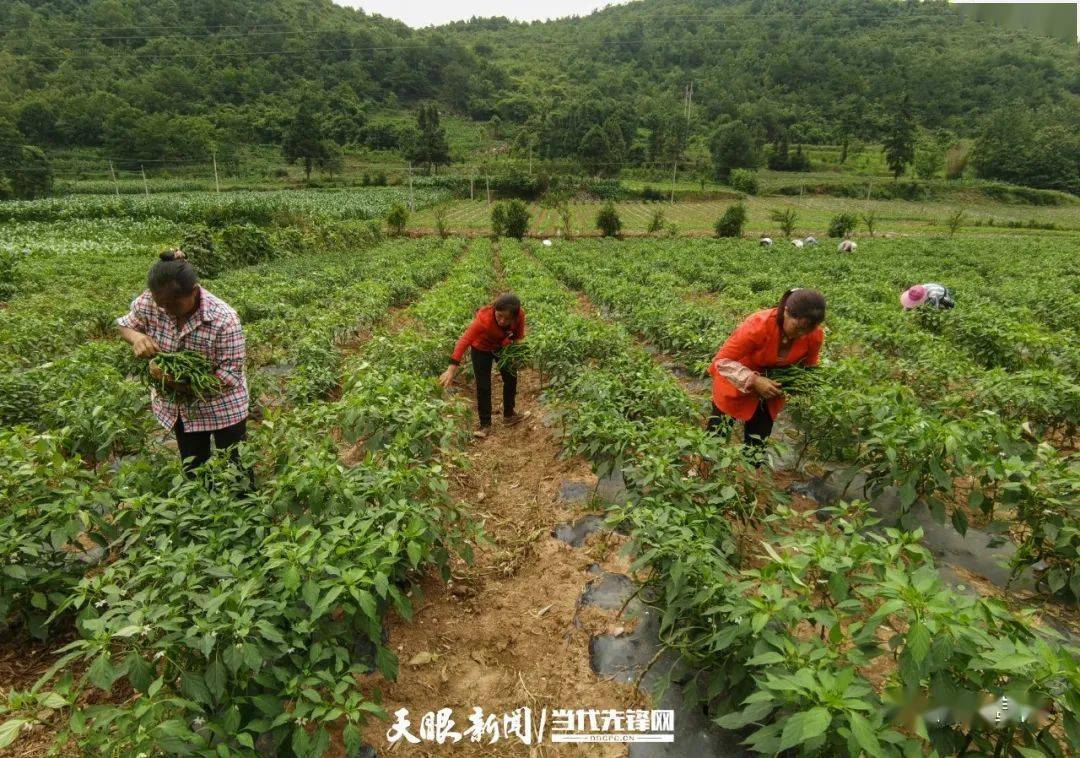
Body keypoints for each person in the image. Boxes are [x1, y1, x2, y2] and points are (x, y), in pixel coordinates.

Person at [117, 250, 250, 479]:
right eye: (162, 305)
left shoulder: (224, 320)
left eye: (174, 305)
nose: (167, 311)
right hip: (181, 409)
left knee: (236, 466)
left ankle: (243, 506)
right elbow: (125, 325)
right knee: (195, 469)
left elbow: (228, 377)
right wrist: (137, 338)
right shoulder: (151, 301)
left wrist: (176, 382)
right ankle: (202, 507)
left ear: (195, 291)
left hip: (223, 405)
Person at [707, 288, 826, 460]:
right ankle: (704, 471)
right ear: (786, 311)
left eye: (807, 330)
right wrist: (754, 380)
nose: (801, 334)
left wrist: (801, 387)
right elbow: (721, 361)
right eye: (798, 327)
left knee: (757, 444)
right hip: (735, 380)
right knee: (716, 435)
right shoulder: (758, 325)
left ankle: (748, 480)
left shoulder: (814, 335)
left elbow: (808, 367)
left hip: (770, 392)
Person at [439, 293, 527, 437]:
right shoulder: (483, 320)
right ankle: (485, 424)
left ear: (514, 317)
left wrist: (517, 355)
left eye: (507, 319)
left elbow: (517, 337)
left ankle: (509, 415)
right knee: (483, 385)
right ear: (494, 309)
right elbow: (464, 341)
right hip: (481, 349)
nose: (502, 321)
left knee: (511, 377)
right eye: (499, 316)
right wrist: (451, 369)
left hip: (501, 347)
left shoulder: (520, 316)